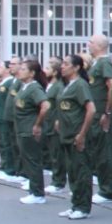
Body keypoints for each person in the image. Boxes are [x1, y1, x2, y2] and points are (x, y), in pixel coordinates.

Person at [53, 54, 96, 219]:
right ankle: (75, 203)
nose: (62, 67)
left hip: (77, 135)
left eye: (66, 64)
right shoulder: (66, 85)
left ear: (77, 67)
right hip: (66, 134)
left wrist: (82, 134)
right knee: (72, 171)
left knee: (81, 171)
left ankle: (83, 207)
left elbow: (90, 109)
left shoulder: (80, 85)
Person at [11, 58, 51, 204]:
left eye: (23, 69)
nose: (20, 71)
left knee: (33, 161)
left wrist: (38, 124)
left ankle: (38, 194)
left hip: (30, 130)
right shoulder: (25, 86)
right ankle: (33, 190)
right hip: (22, 129)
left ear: (32, 73)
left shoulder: (34, 88)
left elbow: (45, 105)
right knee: (28, 161)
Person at [87, 35, 112, 203]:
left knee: (105, 152)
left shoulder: (105, 63)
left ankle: (107, 190)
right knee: (98, 151)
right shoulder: (95, 63)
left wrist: (107, 113)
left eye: (91, 42)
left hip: (102, 114)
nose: (88, 45)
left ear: (99, 45)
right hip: (95, 114)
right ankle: (103, 186)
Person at [42, 57, 67, 196]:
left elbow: (59, 105)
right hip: (48, 122)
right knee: (53, 153)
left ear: (55, 72)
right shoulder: (49, 85)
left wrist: (58, 120)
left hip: (54, 123)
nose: (45, 71)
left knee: (57, 154)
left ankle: (58, 182)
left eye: (48, 68)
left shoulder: (58, 86)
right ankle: (55, 179)